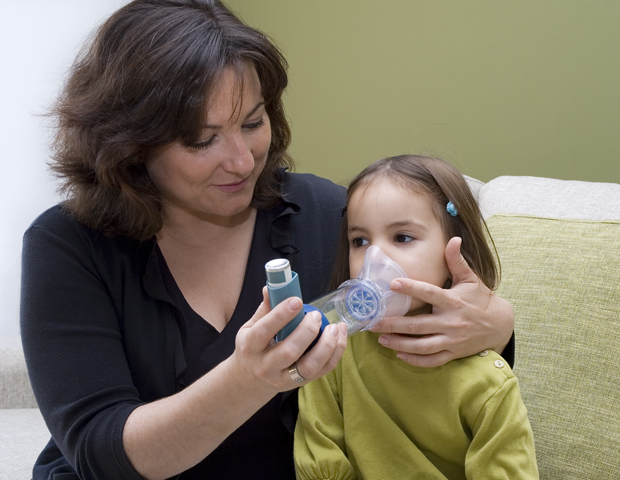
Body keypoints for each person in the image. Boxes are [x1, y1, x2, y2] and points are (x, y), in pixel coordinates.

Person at [20, 2, 514, 479]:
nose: (242, 161)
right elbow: (101, 454)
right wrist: (248, 380)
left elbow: (424, 324)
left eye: (253, 123)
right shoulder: (65, 247)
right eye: (201, 139)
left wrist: (496, 326)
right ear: (130, 143)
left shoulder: (330, 216)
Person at [294, 155, 538, 480]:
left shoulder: (487, 384)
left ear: (456, 251)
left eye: (403, 237)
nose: (374, 258)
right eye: (360, 241)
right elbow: (319, 464)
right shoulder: (332, 357)